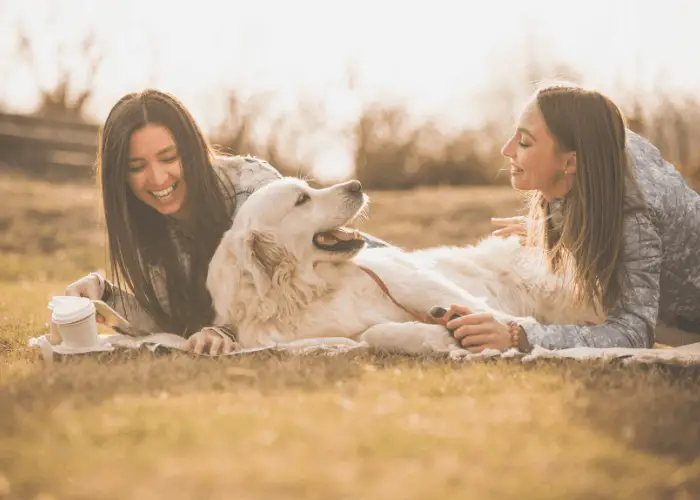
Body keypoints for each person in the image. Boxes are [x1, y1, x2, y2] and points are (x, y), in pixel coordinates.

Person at [62, 89, 386, 355]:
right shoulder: (145, 222)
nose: (158, 178)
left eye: (168, 158)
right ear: (120, 175)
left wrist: (227, 329)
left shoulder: (250, 188)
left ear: (191, 151)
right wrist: (103, 296)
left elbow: (300, 273)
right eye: (136, 166)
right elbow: (168, 319)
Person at [438, 83, 700, 352]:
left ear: (570, 162)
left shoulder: (633, 217)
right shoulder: (599, 141)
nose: (507, 149)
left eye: (525, 142)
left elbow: (633, 332)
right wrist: (555, 227)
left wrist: (519, 336)